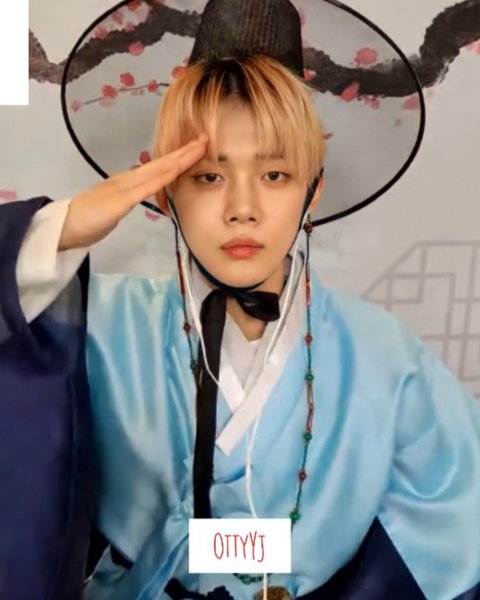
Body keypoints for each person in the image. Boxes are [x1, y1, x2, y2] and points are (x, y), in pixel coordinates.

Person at [1, 1, 479, 599]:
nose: (242, 208)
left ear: (313, 190)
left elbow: (455, 529)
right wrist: (59, 229)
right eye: (209, 176)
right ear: (167, 192)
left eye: (275, 175)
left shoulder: (385, 355)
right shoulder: (97, 322)